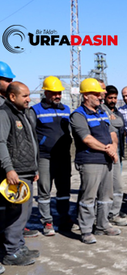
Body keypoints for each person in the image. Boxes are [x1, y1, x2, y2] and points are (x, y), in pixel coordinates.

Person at [69, 78, 121, 244]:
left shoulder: (102, 112)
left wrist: (113, 146)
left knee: (106, 195)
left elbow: (113, 132)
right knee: (88, 197)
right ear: (86, 96)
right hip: (90, 160)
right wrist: (108, 149)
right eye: (97, 94)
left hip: (107, 160)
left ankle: (102, 225)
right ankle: (86, 230)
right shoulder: (78, 115)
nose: (101, 97)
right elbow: (87, 139)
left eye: (101, 94)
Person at [0, 82, 40, 265]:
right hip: (16, 173)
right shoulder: (4, 114)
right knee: (16, 214)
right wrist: (9, 169)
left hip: (26, 171)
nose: (28, 99)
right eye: (24, 96)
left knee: (25, 212)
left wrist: (34, 168)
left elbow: (31, 141)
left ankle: (19, 246)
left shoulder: (23, 113)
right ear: (12, 97)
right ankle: (11, 252)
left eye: (28, 95)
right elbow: (0, 143)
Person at [30, 76, 73, 235]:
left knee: (63, 191)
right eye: (54, 93)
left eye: (59, 93)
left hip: (64, 157)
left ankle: (64, 218)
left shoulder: (66, 110)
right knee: (44, 190)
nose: (58, 96)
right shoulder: (35, 110)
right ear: (45, 93)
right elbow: (31, 135)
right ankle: (47, 222)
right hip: (45, 157)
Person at [102, 85, 127, 227]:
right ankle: (103, 214)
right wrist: (111, 120)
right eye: (110, 98)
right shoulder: (101, 111)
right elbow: (109, 123)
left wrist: (113, 120)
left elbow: (121, 123)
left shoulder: (117, 112)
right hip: (105, 152)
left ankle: (114, 213)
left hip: (117, 153)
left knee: (118, 185)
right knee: (105, 187)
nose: (113, 100)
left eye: (114, 98)